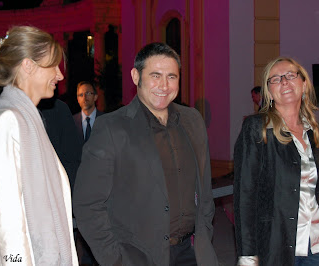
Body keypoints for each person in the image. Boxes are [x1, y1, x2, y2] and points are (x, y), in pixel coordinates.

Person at [73, 42, 218, 266]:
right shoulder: (111, 128)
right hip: (139, 257)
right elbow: (87, 204)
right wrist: (116, 259)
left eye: (172, 76)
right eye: (155, 75)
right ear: (135, 76)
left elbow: (205, 192)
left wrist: (204, 236)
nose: (164, 85)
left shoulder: (193, 121)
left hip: (193, 254)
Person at [0, 26, 78, 265]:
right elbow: (9, 224)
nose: (60, 75)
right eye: (53, 66)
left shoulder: (27, 121)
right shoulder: (9, 122)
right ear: (28, 66)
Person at [234, 57, 319, 266]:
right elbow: (245, 196)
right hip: (277, 245)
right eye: (275, 79)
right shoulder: (256, 128)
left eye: (290, 75)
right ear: (269, 92)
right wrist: (248, 254)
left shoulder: (315, 132)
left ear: (304, 84)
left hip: (318, 244)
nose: (284, 82)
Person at [38, 97, 82, 191]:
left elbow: (72, 158)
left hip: (56, 190)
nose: (59, 81)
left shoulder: (59, 109)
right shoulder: (11, 112)